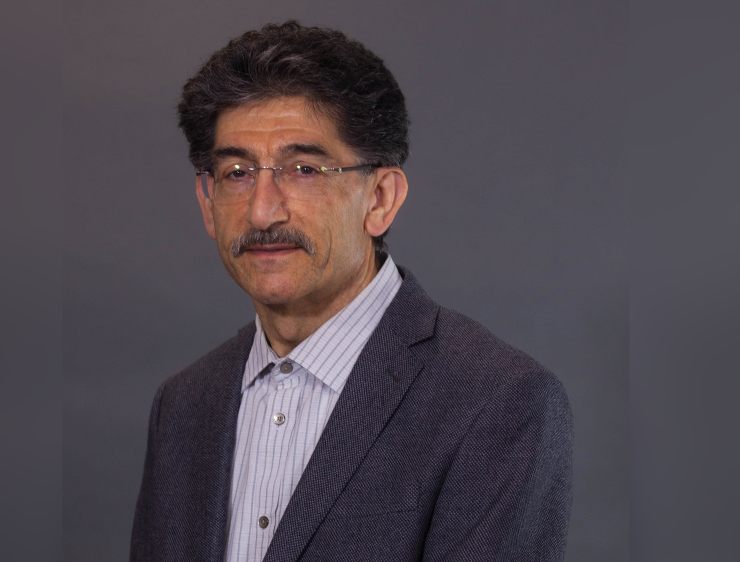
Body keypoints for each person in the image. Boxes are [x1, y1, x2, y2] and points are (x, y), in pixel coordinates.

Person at [130, 21, 572, 562]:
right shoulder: (182, 405)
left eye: (304, 169)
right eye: (238, 173)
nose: (262, 211)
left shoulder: (496, 402)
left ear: (380, 199)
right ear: (207, 203)